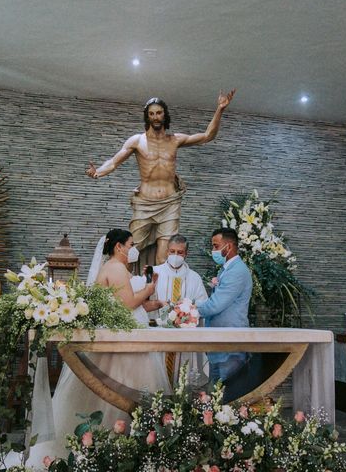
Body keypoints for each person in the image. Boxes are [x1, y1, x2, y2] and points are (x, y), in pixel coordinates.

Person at [0, 229, 171, 471]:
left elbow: (126, 307)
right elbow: (129, 303)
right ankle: (116, 444)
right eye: (131, 244)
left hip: (124, 340)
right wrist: (149, 289)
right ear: (119, 247)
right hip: (122, 347)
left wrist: (155, 303)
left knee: (110, 395)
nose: (134, 249)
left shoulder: (115, 268)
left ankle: (110, 445)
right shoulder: (116, 268)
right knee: (117, 392)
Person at [86, 90, 236, 265]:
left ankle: (157, 293)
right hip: (145, 203)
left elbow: (207, 135)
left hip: (170, 203)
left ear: (165, 114)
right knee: (130, 252)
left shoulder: (175, 139)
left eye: (159, 113)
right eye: (151, 114)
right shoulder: (137, 141)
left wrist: (220, 109)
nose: (155, 117)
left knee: (164, 256)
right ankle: (124, 290)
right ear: (147, 117)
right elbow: (113, 161)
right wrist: (99, 172)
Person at [197, 227, 253, 402]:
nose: (213, 251)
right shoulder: (226, 270)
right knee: (215, 397)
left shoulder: (237, 271)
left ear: (228, 247)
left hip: (230, 342)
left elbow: (215, 305)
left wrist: (190, 308)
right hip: (219, 343)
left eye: (215, 246)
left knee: (230, 398)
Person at [152, 234, 208, 385]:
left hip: (185, 339)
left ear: (186, 254)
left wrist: (189, 312)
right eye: (172, 251)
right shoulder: (155, 273)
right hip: (159, 335)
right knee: (158, 379)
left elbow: (203, 305)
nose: (175, 255)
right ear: (167, 251)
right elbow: (145, 302)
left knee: (183, 379)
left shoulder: (195, 278)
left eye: (180, 252)